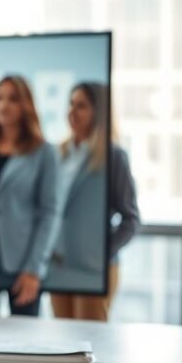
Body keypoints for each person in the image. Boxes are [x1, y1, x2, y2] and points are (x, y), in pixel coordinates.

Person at [0, 75, 59, 317]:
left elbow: (49, 213)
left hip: (22, 265)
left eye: (13, 99)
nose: (4, 105)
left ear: (26, 105)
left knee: (23, 345)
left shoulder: (43, 152)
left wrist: (34, 269)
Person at [50, 83, 140, 321]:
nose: (72, 111)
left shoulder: (113, 156)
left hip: (94, 269)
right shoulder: (58, 153)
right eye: (71, 103)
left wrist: (101, 252)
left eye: (81, 106)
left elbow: (131, 219)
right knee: (63, 346)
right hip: (59, 265)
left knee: (91, 344)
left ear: (98, 112)